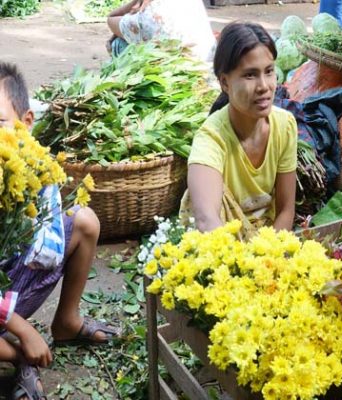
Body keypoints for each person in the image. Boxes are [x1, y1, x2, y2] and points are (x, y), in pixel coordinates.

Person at [0, 63, 118, 400]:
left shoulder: (32, 169)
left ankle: (66, 321)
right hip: (7, 304)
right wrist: (23, 330)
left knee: (83, 221)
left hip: (11, 287)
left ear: (25, 124)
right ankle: (24, 357)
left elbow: (46, 252)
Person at [180, 22, 298, 233]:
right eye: (250, 75)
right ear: (225, 83)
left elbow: (285, 211)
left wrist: (272, 257)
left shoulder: (285, 126)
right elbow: (207, 221)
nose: (264, 86)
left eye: (269, 71)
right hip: (220, 247)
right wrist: (241, 263)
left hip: (267, 245)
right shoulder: (211, 138)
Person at [106, 0, 216, 61]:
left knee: (118, 44)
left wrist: (136, 2)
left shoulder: (145, 17)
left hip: (180, 75)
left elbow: (111, 18)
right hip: (207, 69)